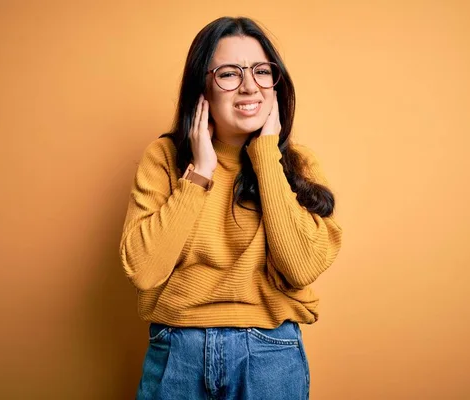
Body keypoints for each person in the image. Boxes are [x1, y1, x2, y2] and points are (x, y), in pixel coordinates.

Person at [119, 16, 342, 400]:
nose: (249, 86)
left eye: (261, 71)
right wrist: (200, 174)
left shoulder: (298, 164)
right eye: (229, 74)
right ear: (201, 87)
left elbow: (301, 267)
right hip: (177, 349)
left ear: (276, 83)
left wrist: (266, 156)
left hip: (270, 353)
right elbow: (143, 270)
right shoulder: (164, 159)